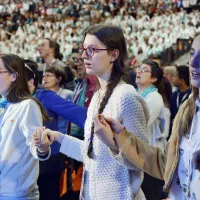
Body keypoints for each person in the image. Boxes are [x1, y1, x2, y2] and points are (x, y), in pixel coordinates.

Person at [33, 24, 149, 200]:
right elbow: (92, 154)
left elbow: (141, 160)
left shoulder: (126, 97)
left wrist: (112, 143)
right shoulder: (97, 97)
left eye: (92, 49)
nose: (84, 55)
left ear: (113, 54)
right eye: (83, 49)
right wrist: (58, 137)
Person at [92, 34, 200, 200]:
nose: (193, 62)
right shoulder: (188, 108)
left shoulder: (152, 98)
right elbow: (168, 164)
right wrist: (121, 135)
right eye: (192, 53)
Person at [24, 60, 87, 200]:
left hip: (49, 161)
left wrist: (101, 123)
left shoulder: (44, 96)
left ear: (30, 81)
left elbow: (75, 113)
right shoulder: (11, 101)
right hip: (26, 163)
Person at [0, 53, 51, 199]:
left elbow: (35, 146)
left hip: (16, 193)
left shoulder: (27, 105)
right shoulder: (4, 105)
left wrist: (42, 147)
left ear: (13, 76)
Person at [135, 59, 170, 200]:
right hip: (140, 155)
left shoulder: (154, 97)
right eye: (139, 68)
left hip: (150, 157)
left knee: (150, 194)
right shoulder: (138, 94)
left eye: (144, 70)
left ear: (154, 78)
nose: (139, 72)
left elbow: (140, 123)